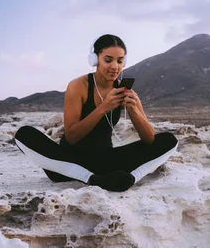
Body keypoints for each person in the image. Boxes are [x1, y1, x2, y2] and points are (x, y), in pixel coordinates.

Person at [14, 34, 179, 192]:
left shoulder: (124, 90)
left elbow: (150, 139)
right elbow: (71, 137)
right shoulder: (78, 86)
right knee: (25, 134)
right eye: (108, 60)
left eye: (120, 61)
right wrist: (103, 108)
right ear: (95, 60)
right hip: (69, 159)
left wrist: (133, 110)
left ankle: (129, 178)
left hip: (106, 160)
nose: (115, 66)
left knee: (168, 140)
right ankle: (93, 179)